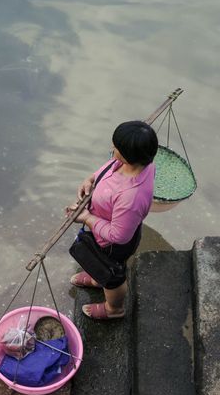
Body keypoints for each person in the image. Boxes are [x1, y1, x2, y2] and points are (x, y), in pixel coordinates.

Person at [66, 120, 158, 319]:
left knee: (113, 277)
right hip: (106, 226)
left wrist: (87, 218)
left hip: (112, 243)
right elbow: (108, 168)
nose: (112, 149)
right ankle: (97, 278)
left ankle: (114, 309)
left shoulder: (131, 196)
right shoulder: (135, 164)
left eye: (116, 148)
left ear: (130, 157)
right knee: (100, 267)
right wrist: (90, 180)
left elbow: (118, 235)